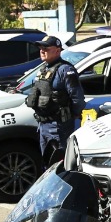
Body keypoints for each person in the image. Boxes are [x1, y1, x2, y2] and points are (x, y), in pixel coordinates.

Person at [25, 36, 85, 164]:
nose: (42, 51)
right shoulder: (43, 70)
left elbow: (77, 98)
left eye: (46, 48)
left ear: (57, 51)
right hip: (43, 126)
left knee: (61, 164)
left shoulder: (65, 70)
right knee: (47, 164)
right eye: (41, 48)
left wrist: (71, 116)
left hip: (59, 127)